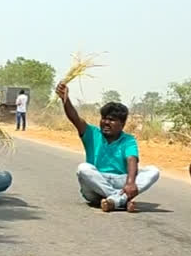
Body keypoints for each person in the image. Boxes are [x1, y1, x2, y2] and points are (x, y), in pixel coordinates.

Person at [56, 82, 159, 212]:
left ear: (122, 124)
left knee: (153, 171)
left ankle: (113, 201)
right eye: (104, 118)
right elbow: (75, 118)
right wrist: (65, 99)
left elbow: (132, 159)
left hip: (120, 181)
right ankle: (121, 200)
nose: (106, 123)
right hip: (95, 183)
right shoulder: (92, 133)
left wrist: (130, 182)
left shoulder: (128, 139)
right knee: (83, 168)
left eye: (111, 120)